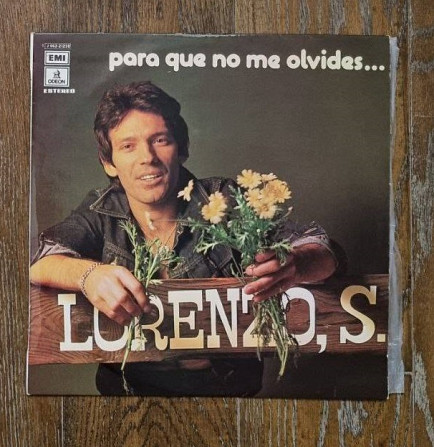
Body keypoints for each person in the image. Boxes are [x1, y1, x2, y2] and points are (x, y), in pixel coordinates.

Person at [30, 81, 339, 396]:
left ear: (182, 148)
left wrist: (296, 263)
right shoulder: (100, 211)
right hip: (127, 398)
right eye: (128, 146)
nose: (147, 157)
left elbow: (322, 248)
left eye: (159, 140)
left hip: (227, 396)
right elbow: (38, 259)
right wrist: (89, 275)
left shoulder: (222, 200)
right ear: (109, 163)